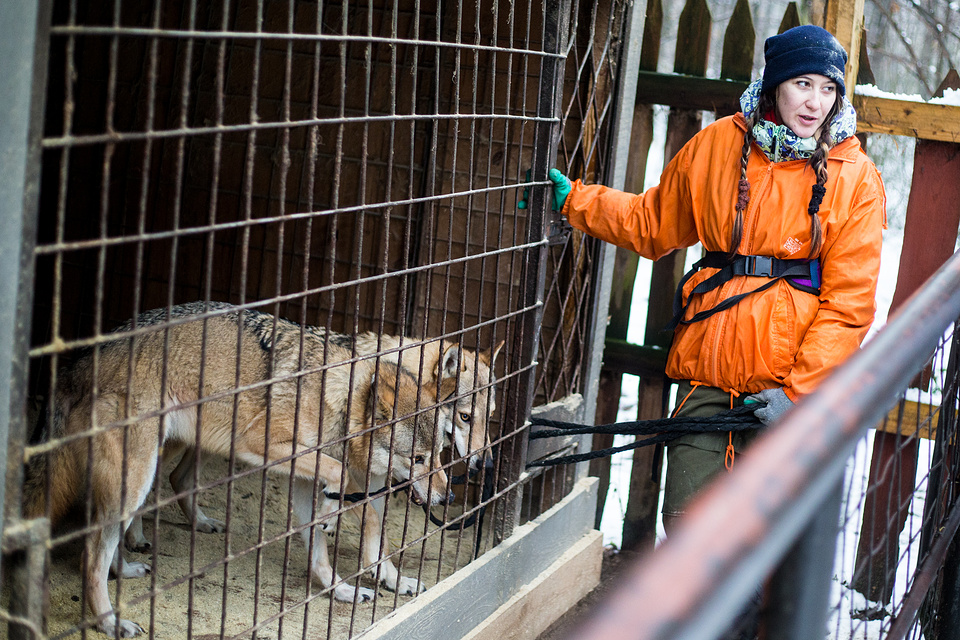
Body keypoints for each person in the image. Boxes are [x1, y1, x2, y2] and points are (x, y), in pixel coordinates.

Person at [523, 25, 886, 530]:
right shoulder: (718, 145)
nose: (815, 103)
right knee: (687, 524)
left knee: (764, 541)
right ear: (775, 83)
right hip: (708, 377)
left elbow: (849, 305)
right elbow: (651, 223)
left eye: (828, 89)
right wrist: (573, 201)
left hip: (785, 389)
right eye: (803, 84)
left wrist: (798, 395)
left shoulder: (856, 177)